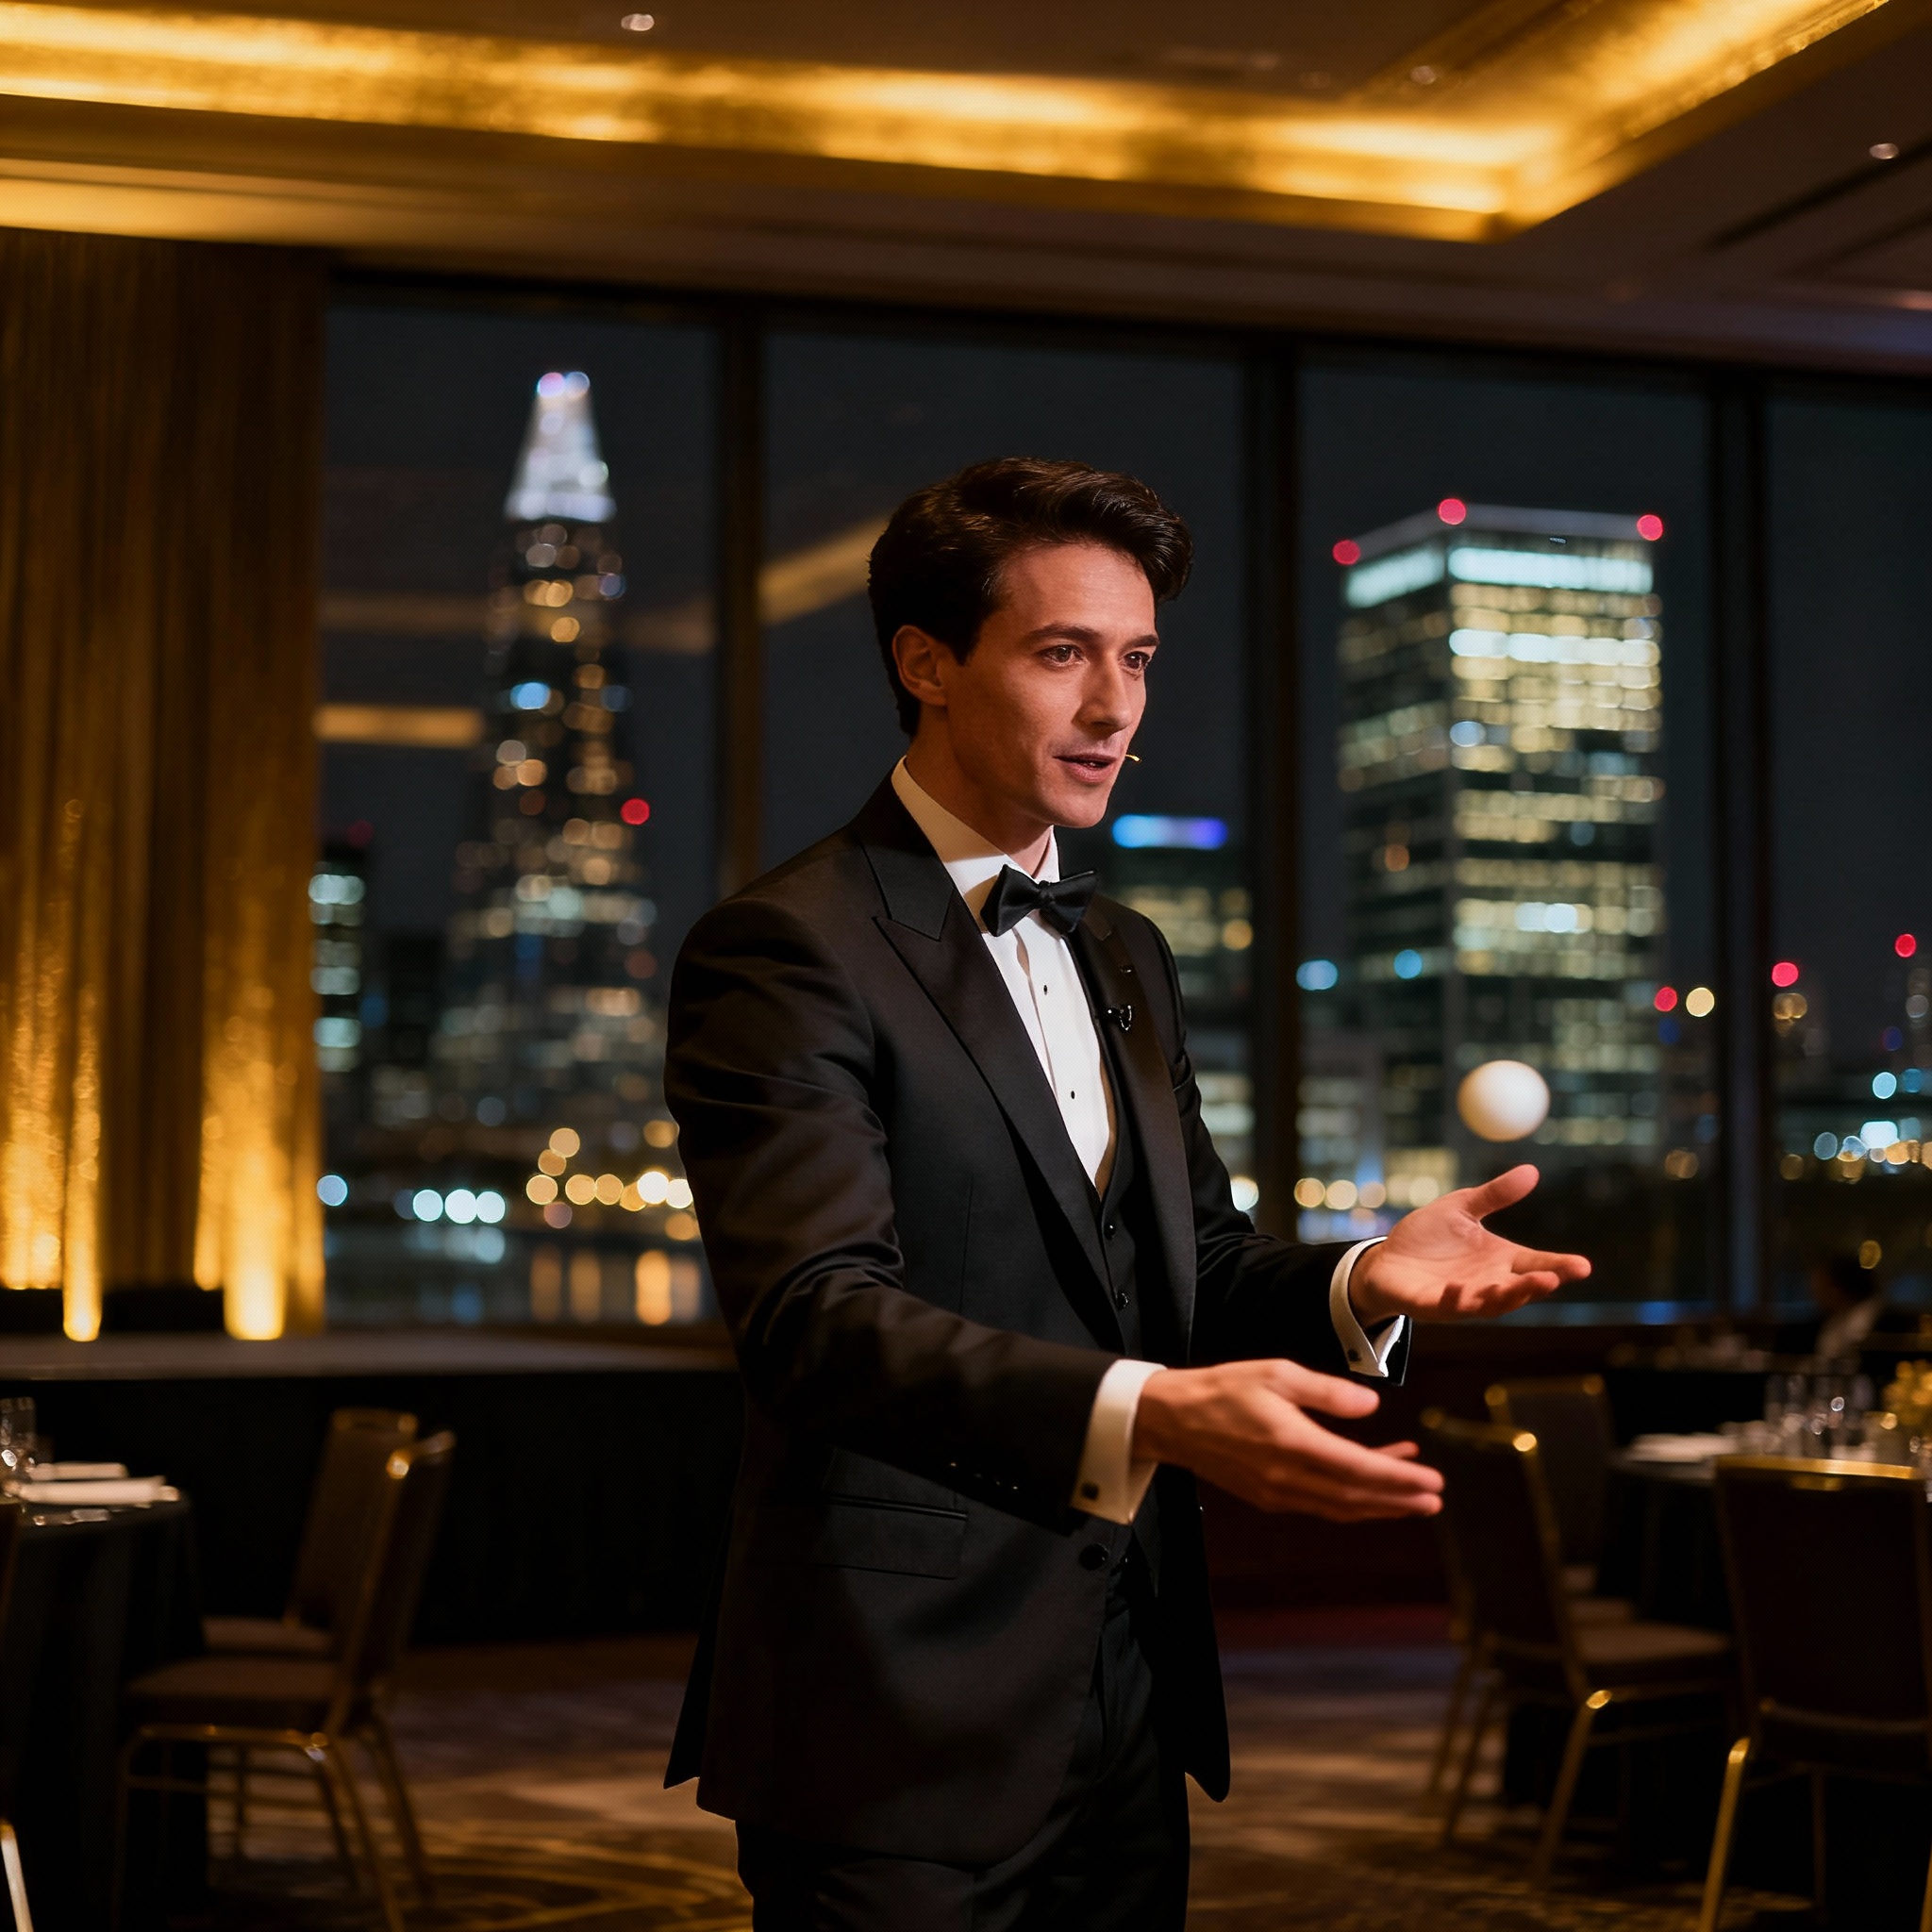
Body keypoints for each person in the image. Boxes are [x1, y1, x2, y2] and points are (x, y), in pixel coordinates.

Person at [663, 457, 1591, 1929]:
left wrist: (1361, 1280)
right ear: (927, 664)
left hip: (1131, 1675)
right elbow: (814, 1320)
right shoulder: (784, 947)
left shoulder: (1128, 955)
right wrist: (1148, 1411)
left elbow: (1192, 1263)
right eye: (1061, 655)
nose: (1115, 709)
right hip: (892, 1696)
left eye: (1138, 660)